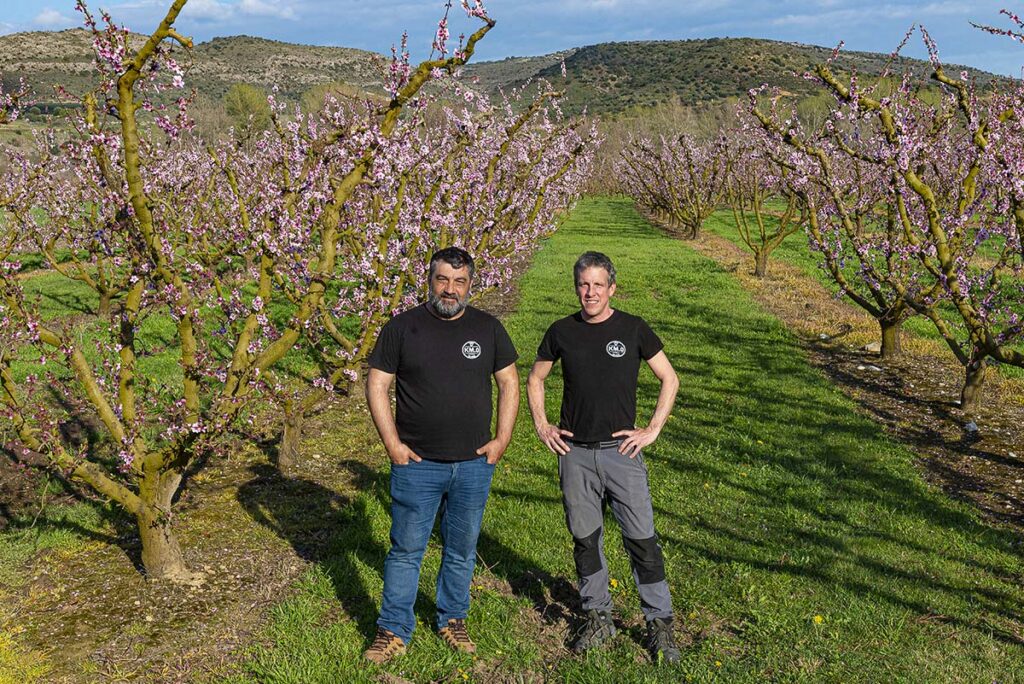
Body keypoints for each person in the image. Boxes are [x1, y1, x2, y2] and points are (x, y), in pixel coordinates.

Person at [363, 247, 519, 664]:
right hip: (417, 465)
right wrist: (392, 445)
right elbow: (377, 385)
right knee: (406, 550)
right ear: (429, 280)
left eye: (459, 281)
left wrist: (502, 439)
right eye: (442, 280)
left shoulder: (488, 328)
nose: (450, 290)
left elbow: (509, 382)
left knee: (462, 549)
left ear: (470, 284)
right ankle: (393, 628)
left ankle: (452, 619)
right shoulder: (402, 328)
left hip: (473, 464)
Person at [526, 250, 681, 664]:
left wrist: (652, 429)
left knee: (642, 540)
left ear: (612, 287)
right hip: (574, 453)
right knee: (585, 539)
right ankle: (597, 616)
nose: (589, 292)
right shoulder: (561, 331)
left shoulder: (633, 328)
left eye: (598, 284)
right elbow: (535, 378)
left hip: (621, 454)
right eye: (583, 284)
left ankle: (659, 624)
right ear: (576, 286)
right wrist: (543, 425)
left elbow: (669, 377)